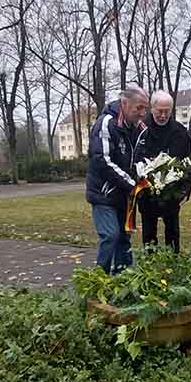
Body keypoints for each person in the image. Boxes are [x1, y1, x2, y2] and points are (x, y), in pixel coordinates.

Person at [85, 84, 149, 273]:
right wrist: (132, 184)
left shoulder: (139, 128)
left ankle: (123, 277)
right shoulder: (107, 123)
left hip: (125, 195)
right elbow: (101, 160)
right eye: (139, 108)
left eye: (145, 108)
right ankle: (99, 280)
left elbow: (141, 157)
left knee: (124, 237)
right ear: (125, 103)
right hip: (103, 193)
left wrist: (146, 176)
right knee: (110, 235)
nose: (142, 113)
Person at [137, 90, 191, 253]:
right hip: (147, 191)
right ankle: (150, 261)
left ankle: (174, 260)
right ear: (152, 108)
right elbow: (134, 159)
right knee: (149, 232)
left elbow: (188, 162)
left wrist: (186, 191)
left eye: (167, 111)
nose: (163, 115)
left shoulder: (180, 132)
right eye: (159, 111)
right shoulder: (140, 129)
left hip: (172, 192)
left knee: (173, 231)